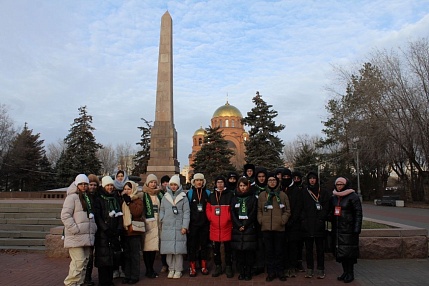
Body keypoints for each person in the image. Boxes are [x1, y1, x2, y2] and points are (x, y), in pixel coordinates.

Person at [61, 174, 97, 286]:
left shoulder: (87, 197)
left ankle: (79, 283)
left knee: (84, 262)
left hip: (86, 236)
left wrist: (93, 228)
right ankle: (70, 283)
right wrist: (75, 230)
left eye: (85, 184)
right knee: (79, 262)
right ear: (77, 184)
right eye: (81, 184)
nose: (83, 186)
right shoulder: (72, 197)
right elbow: (65, 215)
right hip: (75, 236)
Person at [257, 172, 291, 282]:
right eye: (270, 180)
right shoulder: (263, 195)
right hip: (266, 228)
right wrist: (261, 220)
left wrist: (282, 220)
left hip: (279, 228)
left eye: (274, 180)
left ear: (277, 182)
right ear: (267, 182)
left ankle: (280, 272)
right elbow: (259, 210)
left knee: (279, 251)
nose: (272, 182)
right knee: (269, 251)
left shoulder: (282, 195)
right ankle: (271, 272)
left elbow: (287, 210)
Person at [330, 177, 362, 283]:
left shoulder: (353, 196)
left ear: (346, 185)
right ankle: (345, 272)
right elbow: (332, 211)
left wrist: (357, 228)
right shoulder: (334, 197)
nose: (339, 186)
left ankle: (350, 273)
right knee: (342, 253)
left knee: (349, 253)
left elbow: (358, 213)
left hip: (349, 229)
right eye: (337, 184)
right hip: (338, 229)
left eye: (341, 184)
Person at [94, 176, 123, 286]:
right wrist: (105, 229)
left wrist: (119, 228)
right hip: (103, 234)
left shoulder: (115, 198)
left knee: (111, 258)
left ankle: (109, 280)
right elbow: (98, 216)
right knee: (103, 260)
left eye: (111, 185)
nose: (110, 187)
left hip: (114, 232)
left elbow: (120, 214)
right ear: (104, 186)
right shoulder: (99, 198)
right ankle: (103, 281)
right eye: (108, 185)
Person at [160, 175, 190, 279]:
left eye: (175, 185)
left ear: (178, 185)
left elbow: (186, 213)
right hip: (167, 227)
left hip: (179, 227)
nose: (173, 187)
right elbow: (162, 209)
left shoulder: (183, 197)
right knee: (169, 251)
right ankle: (171, 269)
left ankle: (178, 270)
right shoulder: (165, 196)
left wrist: (184, 226)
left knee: (178, 252)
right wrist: (162, 218)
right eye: (171, 184)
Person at [301, 171, 330, 279]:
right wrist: (303, 220)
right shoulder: (304, 192)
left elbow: (326, 207)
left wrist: (321, 218)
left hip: (319, 225)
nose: (312, 180)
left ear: (317, 179)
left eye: (314, 178)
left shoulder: (323, 192)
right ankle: (309, 268)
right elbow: (301, 207)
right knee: (308, 248)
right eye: (310, 178)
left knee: (320, 248)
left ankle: (320, 269)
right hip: (307, 225)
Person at [206, 175, 234, 278]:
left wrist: (228, 218)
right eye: (218, 182)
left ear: (224, 183)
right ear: (216, 184)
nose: (220, 184)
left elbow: (232, 209)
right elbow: (208, 208)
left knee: (228, 249)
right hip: (214, 226)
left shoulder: (230, 194)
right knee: (216, 249)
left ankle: (228, 266)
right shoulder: (212, 195)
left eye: (222, 182)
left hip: (226, 226)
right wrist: (211, 218)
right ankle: (218, 266)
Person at [231, 177, 258, 281]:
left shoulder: (252, 198)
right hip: (237, 229)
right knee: (240, 253)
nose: (242, 188)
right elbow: (232, 212)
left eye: (244, 185)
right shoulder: (234, 198)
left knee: (249, 253)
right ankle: (241, 272)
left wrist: (245, 225)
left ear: (248, 186)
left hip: (249, 229)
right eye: (241, 186)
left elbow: (253, 212)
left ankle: (248, 272)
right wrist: (238, 225)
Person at [187, 173, 211, 277]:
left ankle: (203, 265)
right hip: (193, 224)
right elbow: (187, 209)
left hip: (205, 224)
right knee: (192, 245)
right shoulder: (190, 193)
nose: (199, 182)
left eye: (201, 180)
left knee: (204, 245)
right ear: (194, 182)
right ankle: (192, 266)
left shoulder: (208, 192)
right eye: (197, 180)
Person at [120, 180, 144, 284]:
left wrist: (129, 202)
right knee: (126, 255)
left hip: (134, 231)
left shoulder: (137, 199)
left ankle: (134, 276)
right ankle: (127, 275)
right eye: (125, 189)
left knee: (134, 255)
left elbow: (137, 212)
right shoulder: (122, 200)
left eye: (129, 189)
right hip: (125, 231)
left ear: (133, 189)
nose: (127, 191)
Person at [140, 174, 162, 278]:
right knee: (147, 248)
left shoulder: (159, 194)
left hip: (157, 223)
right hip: (148, 223)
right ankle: (148, 269)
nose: (153, 184)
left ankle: (151, 268)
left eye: (154, 182)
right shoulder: (143, 194)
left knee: (153, 248)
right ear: (147, 183)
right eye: (151, 182)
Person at [283, 170, 303, 279]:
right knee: (284, 246)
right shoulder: (281, 188)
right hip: (282, 223)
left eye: (287, 176)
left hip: (294, 224)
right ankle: (286, 267)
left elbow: (298, 207)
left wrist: (292, 220)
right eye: (284, 176)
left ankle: (292, 267)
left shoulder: (296, 190)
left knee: (293, 246)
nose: (286, 178)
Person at [249, 166, 268, 276]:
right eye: (259, 176)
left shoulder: (269, 188)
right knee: (257, 244)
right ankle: (258, 265)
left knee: (267, 243)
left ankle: (266, 264)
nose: (261, 178)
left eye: (263, 176)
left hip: (267, 220)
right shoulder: (252, 188)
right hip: (254, 220)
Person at [83, 174, 100, 286]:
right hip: (86, 230)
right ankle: (85, 279)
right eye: (91, 184)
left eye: (95, 185)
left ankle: (88, 278)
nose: (93, 187)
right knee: (86, 256)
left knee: (91, 256)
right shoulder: (83, 197)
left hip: (95, 229)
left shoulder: (97, 197)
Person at [159, 175, 170, 273]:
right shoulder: (159, 194)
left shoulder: (172, 194)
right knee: (163, 244)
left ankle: (170, 264)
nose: (165, 184)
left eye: (167, 182)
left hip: (171, 223)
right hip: (162, 222)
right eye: (164, 182)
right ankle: (164, 264)